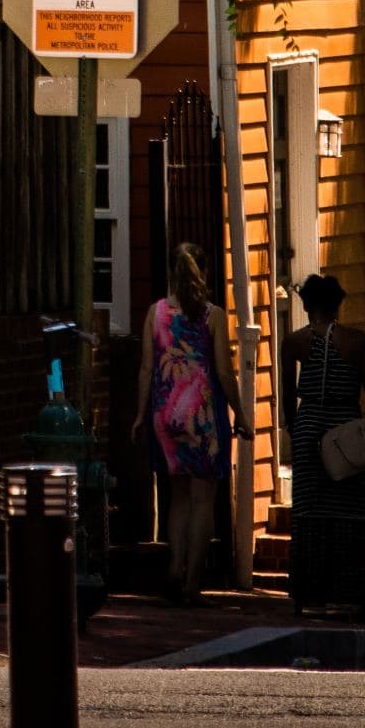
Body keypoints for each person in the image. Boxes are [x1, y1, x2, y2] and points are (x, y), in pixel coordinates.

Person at [135, 242, 243, 604]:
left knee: (177, 498)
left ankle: (173, 568)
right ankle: (192, 584)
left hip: (164, 414)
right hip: (202, 415)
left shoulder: (156, 313)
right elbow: (224, 373)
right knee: (203, 501)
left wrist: (139, 416)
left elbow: (147, 368)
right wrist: (240, 412)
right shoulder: (212, 316)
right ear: (205, 272)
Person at [285, 271, 365, 614]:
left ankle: (309, 589)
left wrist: (298, 431)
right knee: (354, 509)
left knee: (309, 512)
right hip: (345, 429)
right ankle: (350, 586)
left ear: (307, 305)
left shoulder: (295, 341)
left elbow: (287, 398)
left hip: (309, 426)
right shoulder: (357, 341)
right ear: (337, 305)